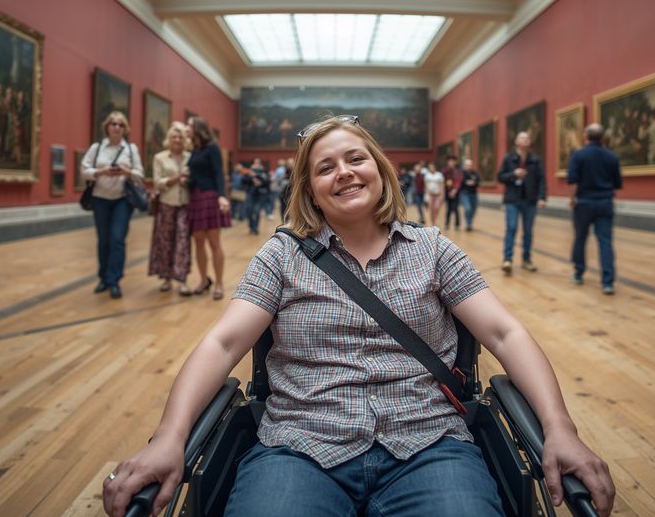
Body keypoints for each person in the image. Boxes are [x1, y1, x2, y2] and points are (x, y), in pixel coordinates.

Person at [101, 115, 615, 517]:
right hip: (299, 446)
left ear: (379, 169)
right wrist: (170, 437)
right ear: (310, 189)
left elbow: (505, 333)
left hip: (428, 444)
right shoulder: (281, 257)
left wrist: (560, 428)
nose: (344, 172)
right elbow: (223, 344)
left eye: (355, 159)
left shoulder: (433, 249)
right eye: (325, 167)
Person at [81, 111, 145, 299]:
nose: (117, 127)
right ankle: (103, 278)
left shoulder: (131, 149)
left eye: (121, 125)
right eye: (113, 124)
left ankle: (114, 280)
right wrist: (101, 171)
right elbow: (84, 171)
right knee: (104, 240)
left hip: (122, 200)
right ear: (107, 126)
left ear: (125, 129)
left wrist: (127, 172)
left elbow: (140, 174)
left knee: (117, 239)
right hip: (100, 198)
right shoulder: (97, 147)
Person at [567, 124, 622, 295]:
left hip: (584, 202)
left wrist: (572, 199)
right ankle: (607, 282)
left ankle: (578, 273)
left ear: (586, 136)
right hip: (605, 202)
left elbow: (573, 181)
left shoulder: (578, 155)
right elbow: (617, 183)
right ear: (602, 137)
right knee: (605, 242)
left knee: (580, 238)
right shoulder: (612, 157)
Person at [185, 116, 231, 300]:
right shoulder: (194, 150)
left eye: (189, 125)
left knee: (214, 242)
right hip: (195, 197)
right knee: (198, 242)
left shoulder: (212, 147)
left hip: (210, 196)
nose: (186, 128)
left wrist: (222, 195)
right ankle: (204, 280)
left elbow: (218, 173)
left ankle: (219, 283)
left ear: (198, 128)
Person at [149, 122, 193, 296]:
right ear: (169, 139)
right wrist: (175, 179)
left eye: (180, 137)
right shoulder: (160, 157)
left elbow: (196, 179)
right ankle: (166, 278)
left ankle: (182, 280)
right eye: (174, 137)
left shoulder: (190, 157)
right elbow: (157, 182)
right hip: (166, 204)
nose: (177, 140)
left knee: (183, 241)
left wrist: (188, 181)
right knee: (165, 241)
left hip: (185, 205)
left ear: (185, 140)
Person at [497, 131, 546, 274]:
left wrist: (541, 197)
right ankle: (507, 260)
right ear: (516, 142)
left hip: (530, 200)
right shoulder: (509, 158)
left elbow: (541, 180)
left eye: (527, 138)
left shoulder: (535, 160)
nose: (525, 140)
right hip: (512, 199)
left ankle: (526, 260)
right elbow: (500, 177)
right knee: (511, 228)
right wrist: (514, 174)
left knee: (528, 231)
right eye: (522, 138)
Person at [243, 158, 271, 235]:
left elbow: (267, 181)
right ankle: (251, 227)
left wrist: (259, 181)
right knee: (249, 210)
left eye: (258, 163)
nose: (256, 164)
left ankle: (255, 228)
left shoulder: (264, 171)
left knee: (257, 211)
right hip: (250, 194)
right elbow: (243, 180)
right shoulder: (248, 171)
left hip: (260, 194)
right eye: (255, 162)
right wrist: (252, 179)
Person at [442, 155, 464, 230]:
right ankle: (447, 224)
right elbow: (443, 181)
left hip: (456, 193)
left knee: (455, 208)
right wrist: (448, 190)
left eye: (452, 161)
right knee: (448, 209)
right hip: (447, 192)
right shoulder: (445, 171)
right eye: (449, 161)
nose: (451, 163)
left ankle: (457, 225)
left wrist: (454, 190)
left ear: (455, 162)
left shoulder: (458, 171)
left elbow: (459, 181)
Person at [459, 158, 480, 231]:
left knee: (474, 209)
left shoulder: (475, 173)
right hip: (464, 193)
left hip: (473, 193)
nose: (469, 166)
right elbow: (459, 183)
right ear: (464, 165)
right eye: (467, 165)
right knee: (468, 208)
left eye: (470, 165)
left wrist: (474, 183)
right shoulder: (461, 173)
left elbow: (478, 181)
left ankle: (470, 222)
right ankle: (468, 224)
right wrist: (466, 183)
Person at [423, 162, 445, 227]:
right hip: (430, 194)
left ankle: (435, 220)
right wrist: (426, 195)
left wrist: (442, 194)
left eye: (432, 167)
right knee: (431, 208)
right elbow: (426, 186)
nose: (431, 168)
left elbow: (442, 185)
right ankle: (432, 221)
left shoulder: (439, 175)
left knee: (436, 207)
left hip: (438, 194)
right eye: (430, 167)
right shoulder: (427, 175)